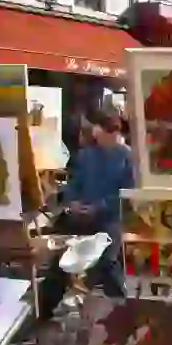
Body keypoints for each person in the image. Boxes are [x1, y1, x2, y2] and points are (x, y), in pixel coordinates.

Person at [38, 112, 134, 320]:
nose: (98, 135)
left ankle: (120, 307)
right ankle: (44, 308)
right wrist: (73, 202)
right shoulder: (87, 155)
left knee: (107, 261)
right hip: (81, 218)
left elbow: (127, 195)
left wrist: (99, 207)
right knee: (63, 258)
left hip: (110, 219)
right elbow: (75, 184)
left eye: (105, 131)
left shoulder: (129, 158)